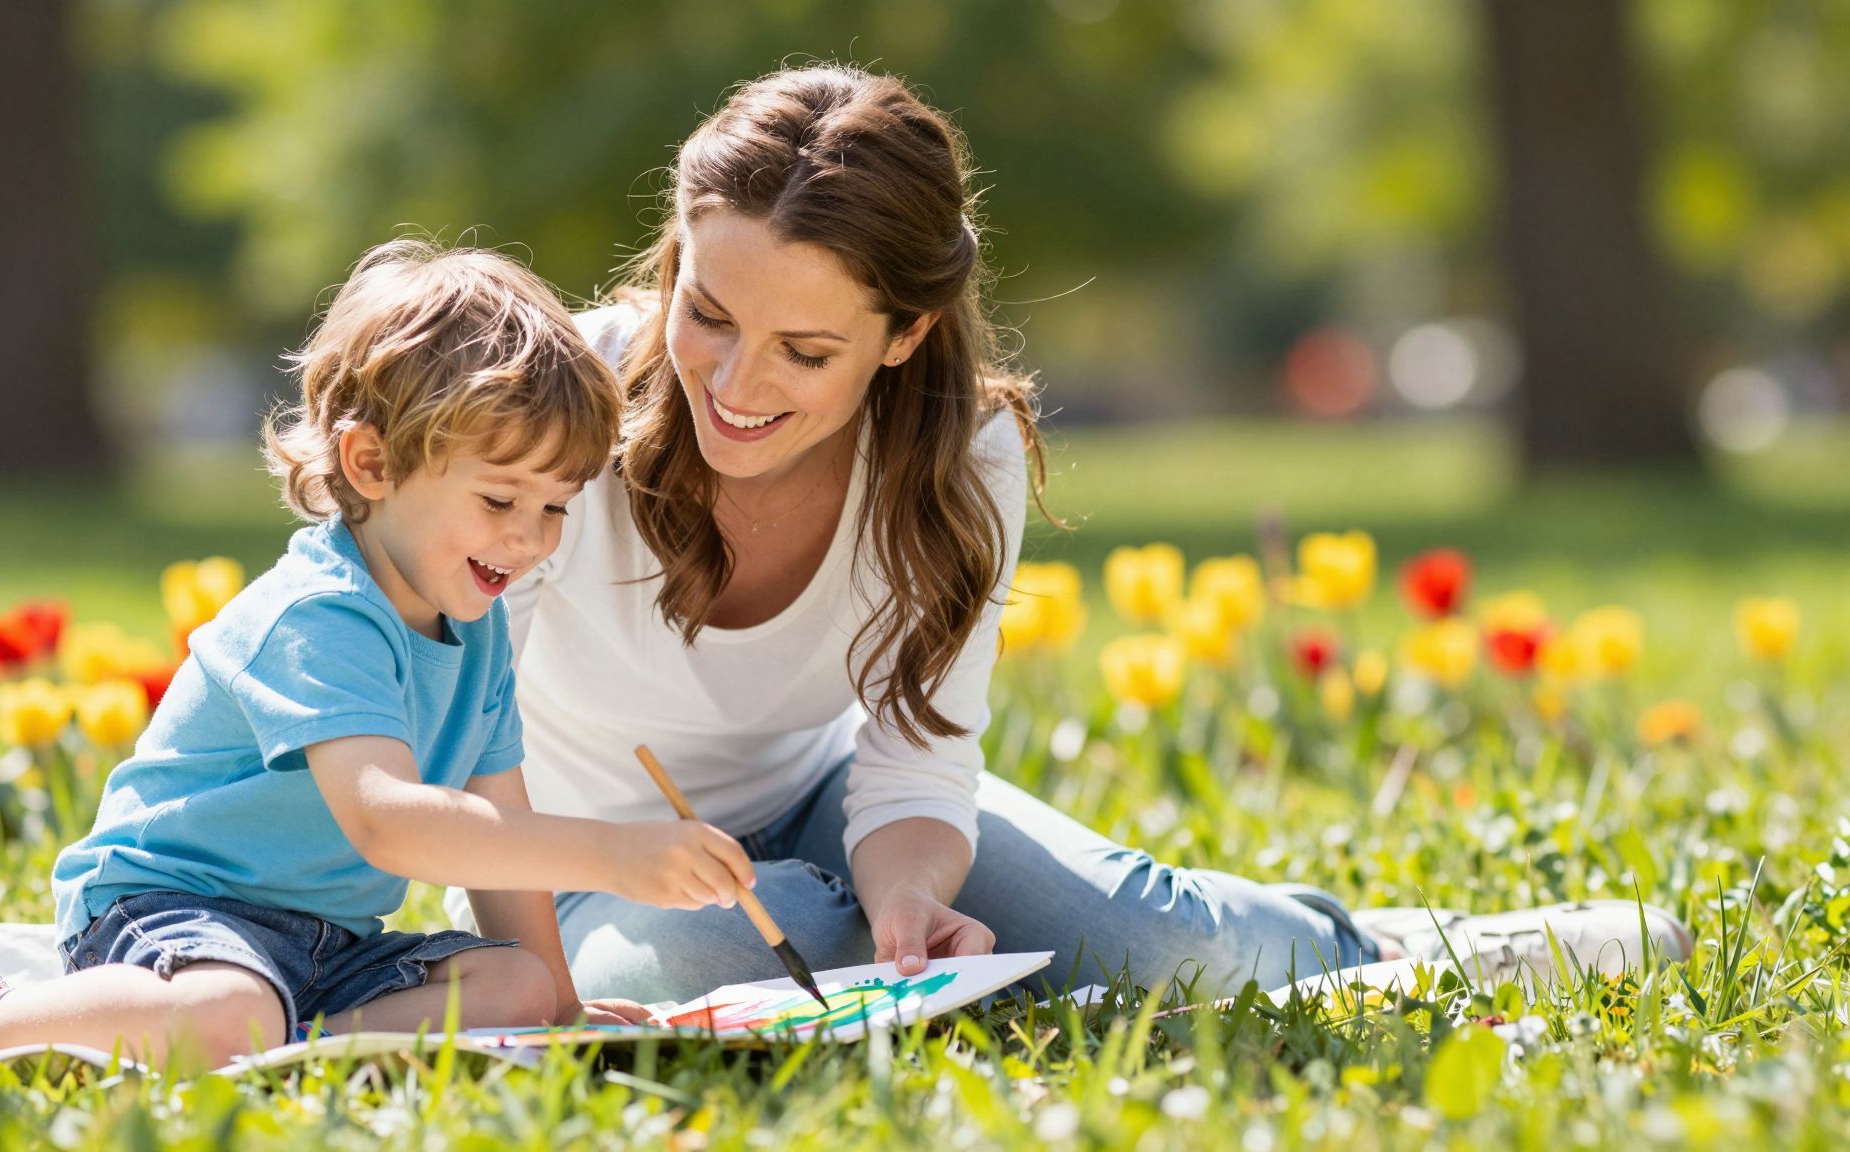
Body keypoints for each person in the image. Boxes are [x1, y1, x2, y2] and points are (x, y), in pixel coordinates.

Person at [444, 65, 1693, 1003]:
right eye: (705, 313)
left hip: (823, 798)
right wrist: (580, 908)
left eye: (805, 351)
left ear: (903, 336)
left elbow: (913, 761)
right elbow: (459, 740)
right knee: (720, 956)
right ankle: (820, 925)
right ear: (672, 266)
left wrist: (906, 900)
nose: (733, 382)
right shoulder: (555, 413)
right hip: (576, 855)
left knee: (1168, 951)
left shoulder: (952, 457)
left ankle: (1389, 945)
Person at [0, 239, 763, 1075]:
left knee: (511, 992)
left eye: (555, 507)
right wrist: (613, 856)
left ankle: (271, 1044)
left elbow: (499, 834)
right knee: (225, 1008)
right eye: (500, 501)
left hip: (327, 945)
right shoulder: (323, 615)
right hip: (173, 908)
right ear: (371, 465)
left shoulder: (473, 628)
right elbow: (390, 823)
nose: (530, 540)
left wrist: (562, 1009)